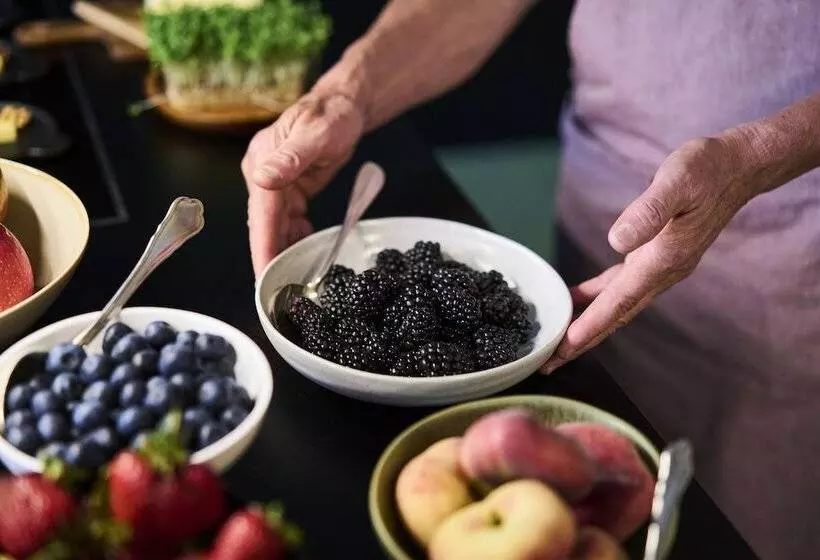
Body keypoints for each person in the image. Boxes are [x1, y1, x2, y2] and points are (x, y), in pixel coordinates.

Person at [241, 2, 820, 558]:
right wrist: (345, 95)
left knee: (736, 529)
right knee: (580, 489)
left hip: (785, 266)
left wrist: (754, 154)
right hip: (602, 210)